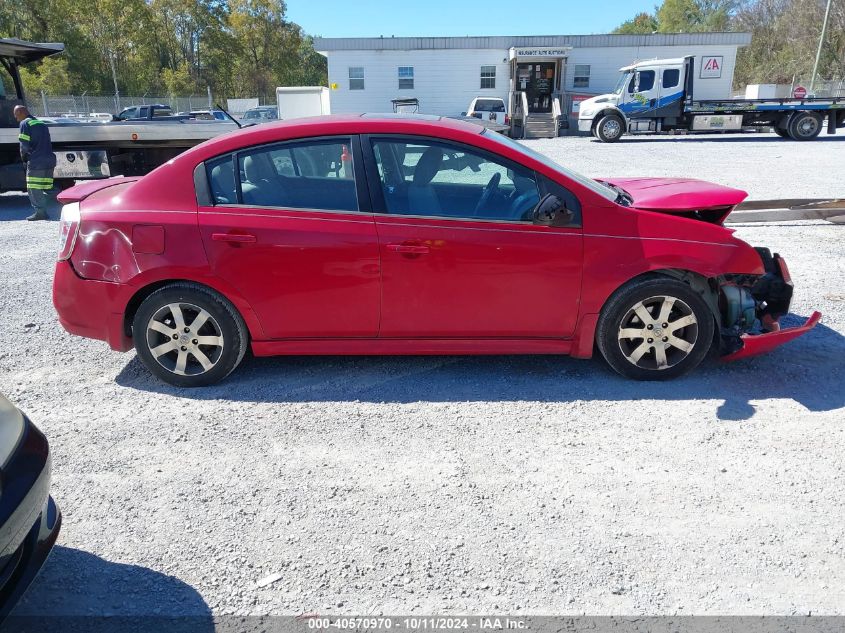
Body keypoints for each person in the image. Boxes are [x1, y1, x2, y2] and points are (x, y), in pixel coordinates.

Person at [15, 105, 57, 221]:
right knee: (47, 187)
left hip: (36, 161)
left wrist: (24, 159)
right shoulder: (41, 123)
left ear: (20, 112)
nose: (16, 118)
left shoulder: (25, 123)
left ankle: (40, 212)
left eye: (16, 115)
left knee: (33, 188)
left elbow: (24, 146)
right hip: (49, 160)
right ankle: (61, 204)